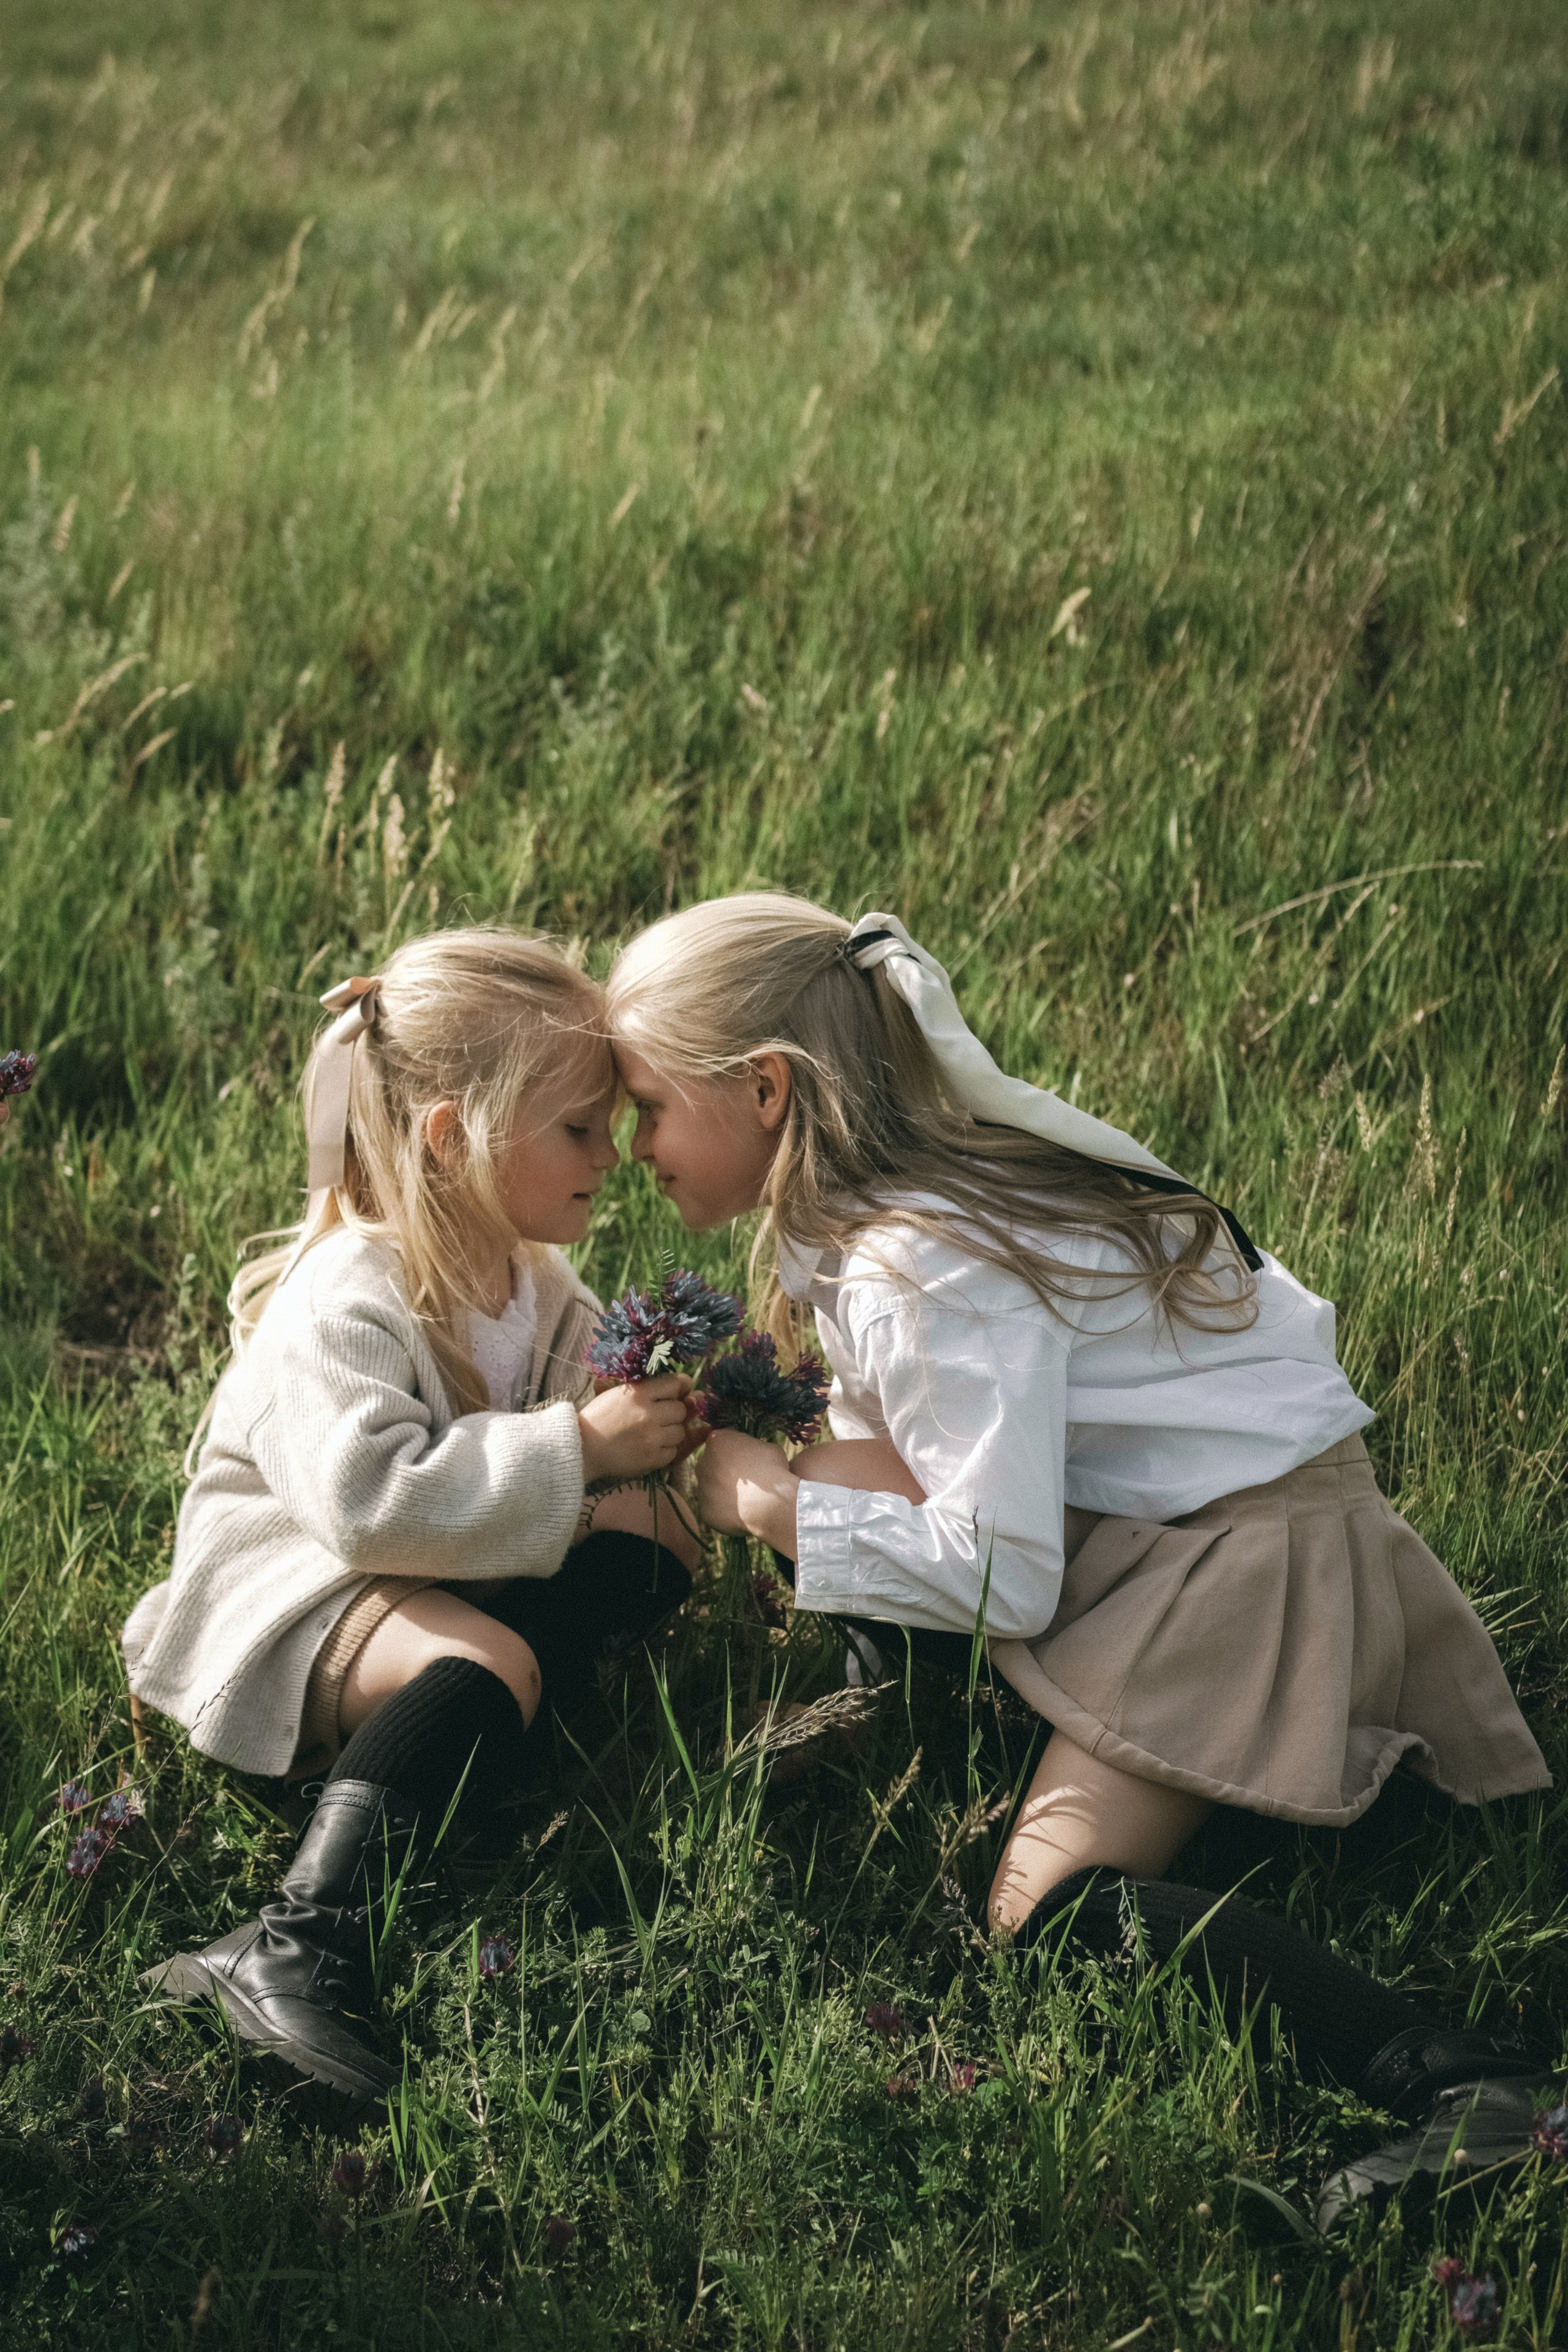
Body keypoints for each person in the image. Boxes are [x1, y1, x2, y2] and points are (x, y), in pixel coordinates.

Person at [606, 892, 1558, 2226]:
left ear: (764, 1090)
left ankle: (1465, 2085)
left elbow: (1000, 1567)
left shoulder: (913, 1267)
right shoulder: (865, 1219)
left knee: (1037, 1916)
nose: (627, 1141)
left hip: (1247, 1558)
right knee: (833, 1461)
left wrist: (770, 1509)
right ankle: (989, 1741)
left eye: (645, 1104)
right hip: (1180, 1527)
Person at [126, 929, 701, 2107]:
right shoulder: (348, 1292)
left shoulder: (534, 1283)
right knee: (484, 1657)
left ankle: (475, 1735)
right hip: (294, 1583)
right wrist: (580, 1448)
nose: (612, 1154)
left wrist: (665, 1425)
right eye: (580, 1130)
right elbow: (363, 1503)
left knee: (662, 1526)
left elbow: (582, 1444)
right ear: (453, 1137)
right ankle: (296, 1941)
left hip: (429, 1549)